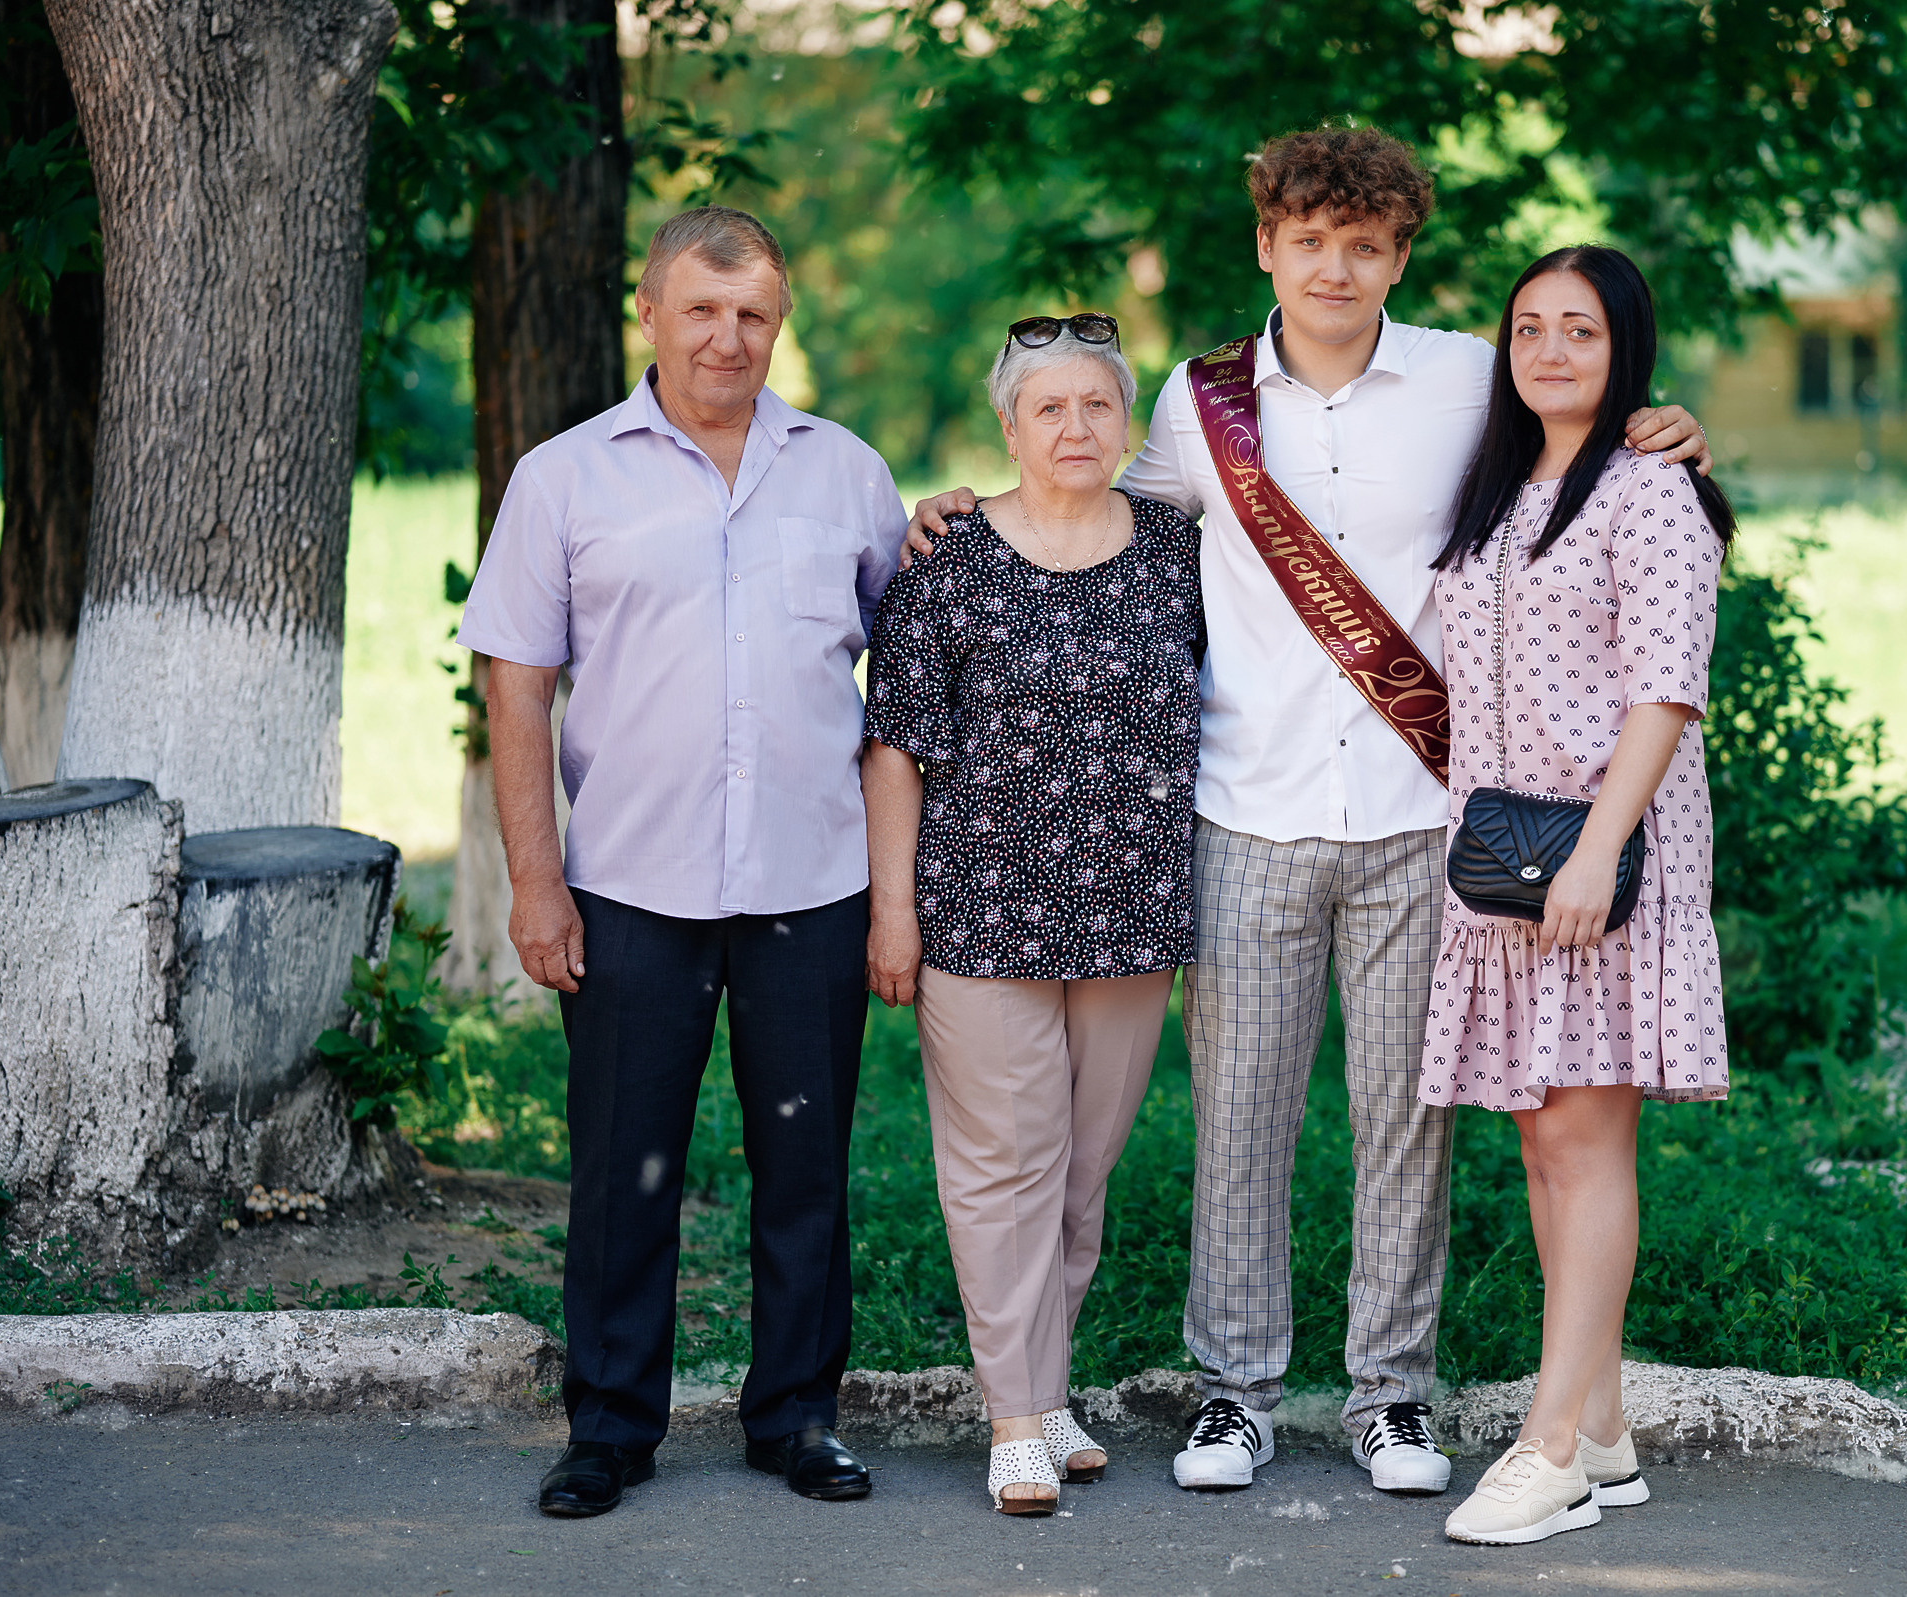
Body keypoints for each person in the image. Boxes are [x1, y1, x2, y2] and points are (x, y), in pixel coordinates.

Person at [908, 126, 1717, 1499]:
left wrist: (1671, 424)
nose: (1334, 266)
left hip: (1427, 817)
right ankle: (1236, 1394)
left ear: (1401, 254)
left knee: (1409, 1115)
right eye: (1309, 240)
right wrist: (963, 514)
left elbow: (1585, 452)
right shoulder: (1195, 399)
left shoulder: (1473, 377)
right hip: (1249, 804)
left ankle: (1391, 1395)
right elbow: (1088, 500)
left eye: (1364, 244)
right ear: (1268, 247)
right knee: (1241, 1115)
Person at [458, 206, 908, 1517]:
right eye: (702, 310)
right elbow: (519, 688)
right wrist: (537, 887)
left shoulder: (845, 474)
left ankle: (797, 1418)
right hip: (628, 891)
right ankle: (607, 1428)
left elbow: (911, 684)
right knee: (623, 1169)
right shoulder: (566, 477)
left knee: (806, 1170)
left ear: (782, 324)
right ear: (649, 313)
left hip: (811, 885)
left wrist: (899, 891)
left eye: (754, 313)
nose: (728, 337)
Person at [860, 313, 1204, 1514]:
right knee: (1004, 1162)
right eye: (1048, 407)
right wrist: (892, 910)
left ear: (1129, 425)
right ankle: (1013, 1417)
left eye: (1097, 405)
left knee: (1081, 1171)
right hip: (977, 910)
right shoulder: (945, 559)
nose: (1075, 426)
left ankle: (1046, 1388)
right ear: (1008, 425)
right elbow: (896, 747)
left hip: (1130, 912)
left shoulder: (1177, 547)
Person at [1425, 246, 1734, 1546]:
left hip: (1607, 856)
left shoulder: (1648, 489)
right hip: (1501, 858)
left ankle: (1550, 1447)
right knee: (1542, 1138)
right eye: (1531, 328)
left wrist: (1603, 850)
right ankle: (1601, 1420)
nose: (1551, 351)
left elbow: (1667, 688)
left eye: (1583, 332)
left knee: (1590, 1139)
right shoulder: (1497, 488)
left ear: (1628, 352)